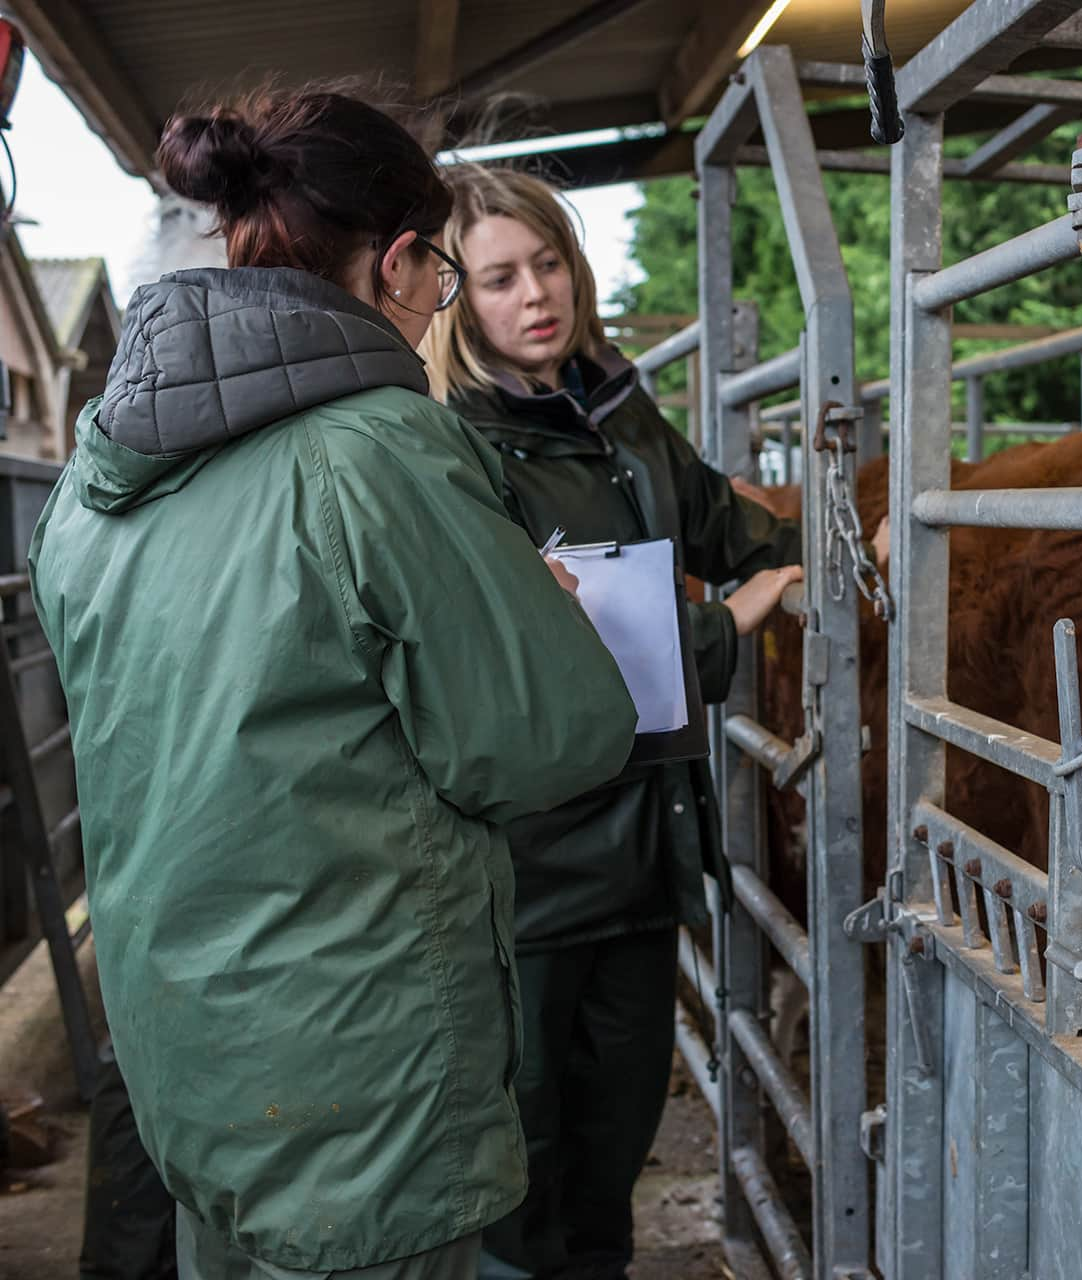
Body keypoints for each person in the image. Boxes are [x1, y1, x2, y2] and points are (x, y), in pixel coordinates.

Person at [30, 89, 642, 1278]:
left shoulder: (95, 485)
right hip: (359, 1077)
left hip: (193, 1061)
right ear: (404, 263)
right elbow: (547, 740)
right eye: (450, 284)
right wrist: (541, 622)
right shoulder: (376, 449)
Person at [423, 166, 873, 1279]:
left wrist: (815, 559)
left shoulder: (618, 419)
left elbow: (732, 528)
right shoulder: (451, 452)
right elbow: (529, 669)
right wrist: (726, 631)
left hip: (637, 855)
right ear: (454, 299)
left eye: (550, 263)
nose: (538, 293)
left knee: (610, 1159)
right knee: (519, 1171)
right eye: (499, 277)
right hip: (524, 878)